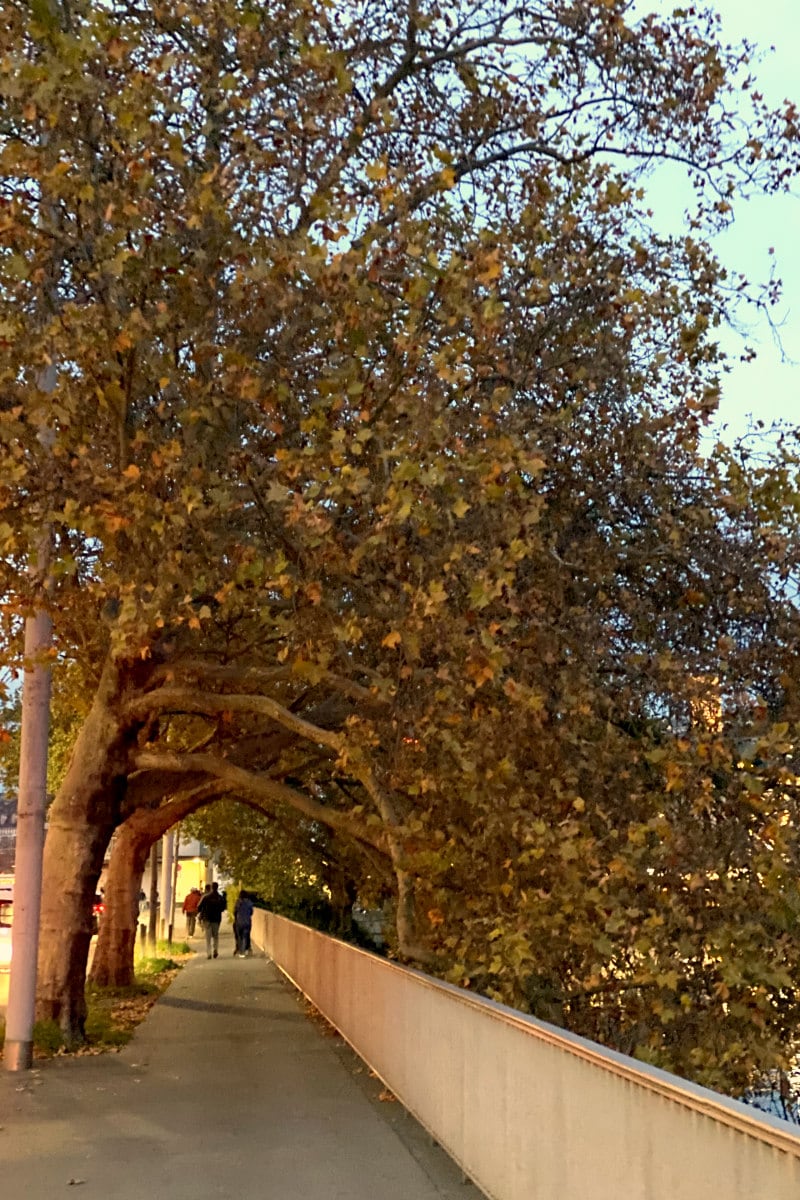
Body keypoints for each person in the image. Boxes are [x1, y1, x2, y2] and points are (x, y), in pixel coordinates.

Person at [197, 881, 226, 959]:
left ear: (212, 887)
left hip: (207, 919)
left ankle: (209, 953)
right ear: (217, 887)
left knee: (208, 937)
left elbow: (199, 907)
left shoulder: (206, 897)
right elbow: (223, 908)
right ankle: (215, 950)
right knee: (216, 935)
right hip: (216, 919)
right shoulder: (220, 898)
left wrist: (201, 913)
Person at [233, 890, 254, 957]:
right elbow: (251, 912)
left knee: (240, 937)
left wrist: (236, 918)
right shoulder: (249, 902)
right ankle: (245, 950)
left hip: (239, 922)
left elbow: (235, 912)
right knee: (246, 936)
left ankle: (241, 951)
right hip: (247, 922)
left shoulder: (238, 902)